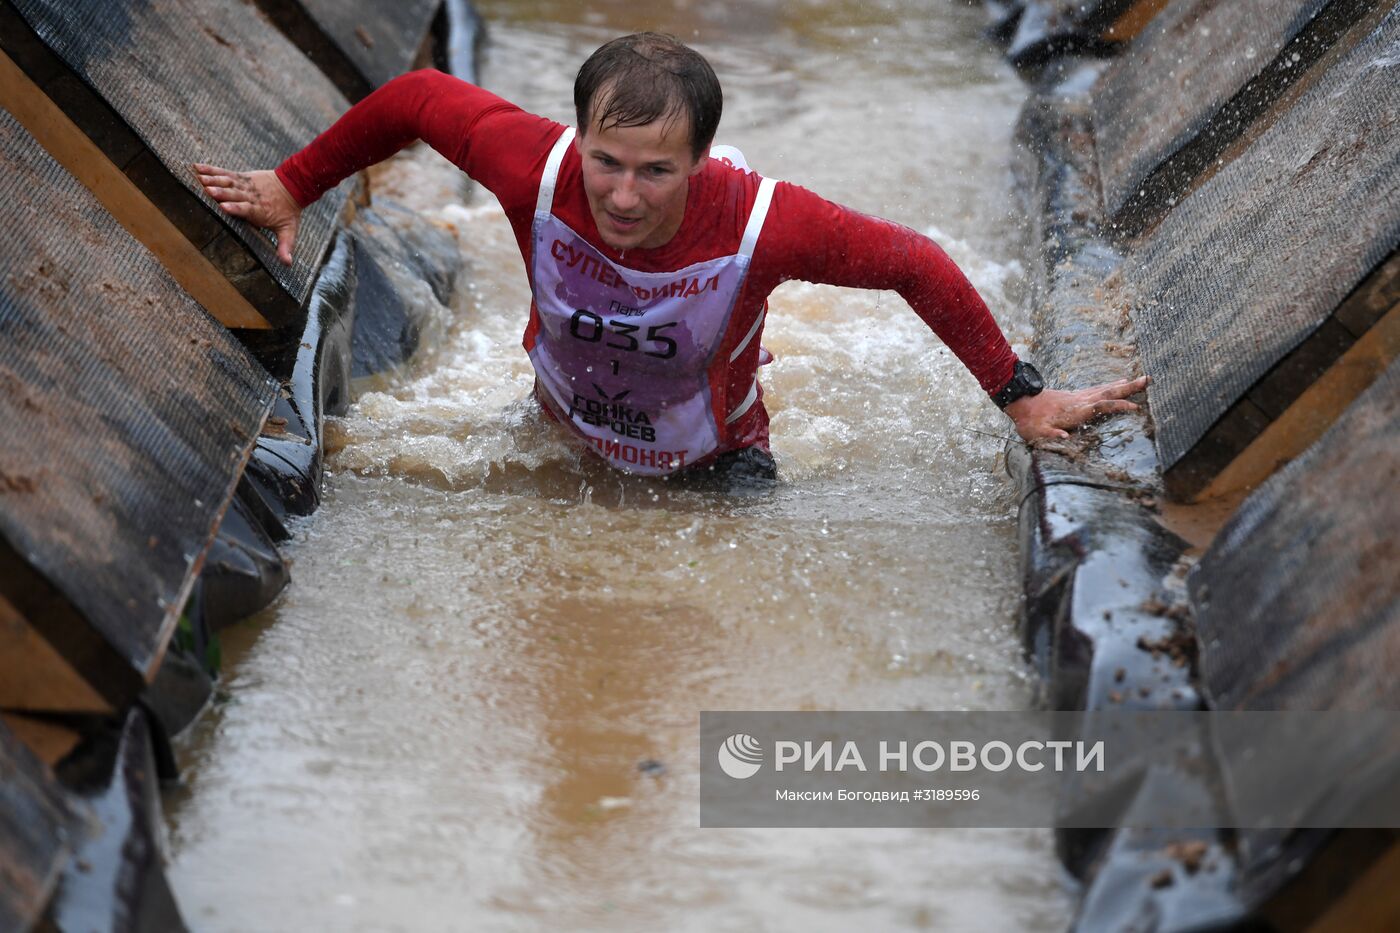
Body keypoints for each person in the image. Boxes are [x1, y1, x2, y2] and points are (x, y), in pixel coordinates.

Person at [194, 32, 1146, 483]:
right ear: (579, 138)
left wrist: (1017, 394)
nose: (621, 194)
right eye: (608, 162)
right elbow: (413, 95)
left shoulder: (762, 224)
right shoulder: (535, 168)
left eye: (656, 172)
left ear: (699, 164)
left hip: (718, 472)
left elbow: (914, 262)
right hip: (558, 434)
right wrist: (292, 184)